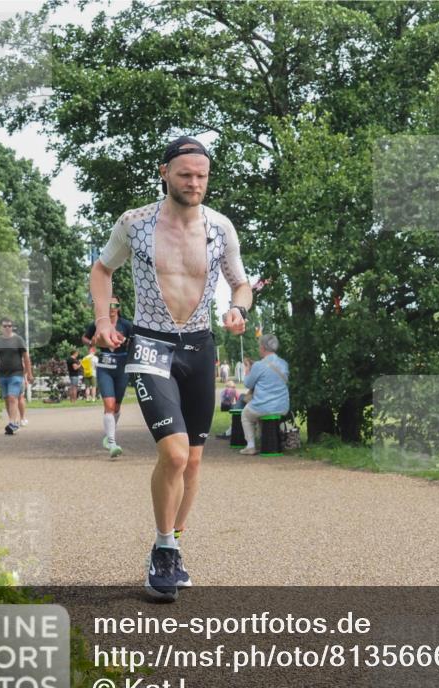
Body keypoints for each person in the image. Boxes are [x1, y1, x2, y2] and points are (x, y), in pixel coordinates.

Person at [90, 135, 252, 601]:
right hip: (151, 345)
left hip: (199, 347)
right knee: (176, 455)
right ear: (164, 173)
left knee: (194, 460)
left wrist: (238, 309)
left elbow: (240, 284)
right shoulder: (135, 223)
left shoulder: (220, 227)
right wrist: (103, 321)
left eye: (202, 176)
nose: (194, 183)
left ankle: (173, 544)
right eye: (185, 174)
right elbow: (102, 270)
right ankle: (163, 549)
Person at [82, 296, 133, 458]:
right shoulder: (98, 323)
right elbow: (85, 337)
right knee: (109, 405)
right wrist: (92, 343)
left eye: (114, 304)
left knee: (116, 407)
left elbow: (135, 342)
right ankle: (111, 442)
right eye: (108, 304)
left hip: (122, 368)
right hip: (105, 368)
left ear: (119, 307)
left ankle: (110, 434)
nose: (111, 307)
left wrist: (125, 340)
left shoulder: (126, 325)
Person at [239, 334, 289, 455]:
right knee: (262, 414)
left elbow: (247, 384)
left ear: (262, 347)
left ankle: (250, 446)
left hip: (263, 406)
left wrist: (247, 371)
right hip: (283, 406)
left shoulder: (258, 365)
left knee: (245, 415)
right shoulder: (284, 363)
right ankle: (268, 441)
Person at [0, 317, 33, 435]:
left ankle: (12, 423)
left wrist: (29, 373)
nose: (7, 328)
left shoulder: (18, 340)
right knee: (7, 399)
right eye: (5, 326)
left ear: (12, 327)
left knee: (12, 397)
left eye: (9, 326)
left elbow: (26, 357)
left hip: (16, 373)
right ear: (1, 327)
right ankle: (13, 422)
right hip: (2, 374)